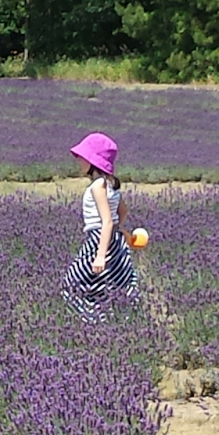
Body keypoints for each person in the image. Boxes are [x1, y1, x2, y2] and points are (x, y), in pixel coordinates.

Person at [61, 132, 140, 323]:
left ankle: (95, 321)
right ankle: (118, 321)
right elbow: (122, 212)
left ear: (92, 161)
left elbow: (107, 221)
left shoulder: (98, 186)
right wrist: (118, 232)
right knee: (115, 284)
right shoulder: (111, 185)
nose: (78, 160)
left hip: (99, 241)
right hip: (115, 241)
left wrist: (100, 254)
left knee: (70, 285)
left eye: (82, 157)